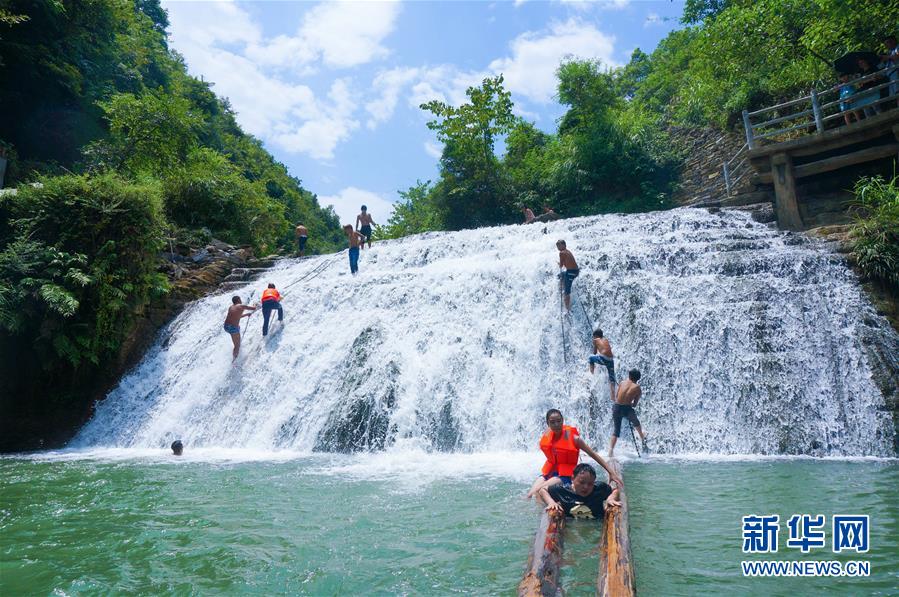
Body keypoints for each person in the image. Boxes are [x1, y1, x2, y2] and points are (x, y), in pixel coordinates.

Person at [526, 409, 622, 499]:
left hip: (565, 476)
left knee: (539, 491)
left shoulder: (575, 439)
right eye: (552, 422)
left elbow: (593, 454)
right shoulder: (548, 436)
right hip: (550, 472)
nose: (556, 424)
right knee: (530, 495)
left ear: (563, 421)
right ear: (548, 423)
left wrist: (611, 473)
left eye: (559, 421)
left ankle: (550, 508)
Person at [539, 463, 621, 520]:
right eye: (581, 483)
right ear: (572, 478)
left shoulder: (599, 488)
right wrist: (551, 502)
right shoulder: (563, 490)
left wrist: (611, 498)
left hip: (596, 522)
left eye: (590, 484)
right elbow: (543, 490)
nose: (586, 487)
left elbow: (615, 490)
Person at [609, 369, 648, 457]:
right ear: (638, 378)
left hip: (617, 407)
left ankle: (610, 451)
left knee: (616, 431)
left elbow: (617, 397)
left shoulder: (622, 383)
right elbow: (634, 404)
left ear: (629, 376)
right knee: (636, 422)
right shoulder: (637, 388)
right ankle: (642, 437)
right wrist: (629, 402)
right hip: (627, 409)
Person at [224, 295, 257, 361]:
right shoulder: (241, 306)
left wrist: (246, 314)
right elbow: (254, 308)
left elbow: (237, 316)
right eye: (240, 299)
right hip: (233, 328)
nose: (241, 300)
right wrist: (255, 304)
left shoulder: (231, 307)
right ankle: (234, 361)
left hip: (226, 326)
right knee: (237, 345)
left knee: (236, 343)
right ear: (238, 300)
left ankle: (235, 356)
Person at [588, 329, 616, 402]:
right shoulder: (605, 340)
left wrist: (595, 346)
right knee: (612, 379)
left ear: (595, 336)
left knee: (590, 358)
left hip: (604, 358)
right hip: (611, 359)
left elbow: (594, 353)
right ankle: (613, 396)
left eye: (593, 336)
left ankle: (591, 374)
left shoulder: (595, 340)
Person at [556, 240, 579, 312]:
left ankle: (567, 310)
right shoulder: (568, 251)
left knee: (567, 291)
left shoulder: (561, 253)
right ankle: (562, 288)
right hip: (575, 271)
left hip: (571, 272)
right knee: (560, 275)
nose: (558, 247)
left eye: (559, 245)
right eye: (557, 246)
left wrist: (558, 264)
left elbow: (561, 265)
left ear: (563, 245)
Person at [879, 35, 898, 108]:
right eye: (885, 44)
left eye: (887, 43)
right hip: (892, 77)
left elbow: (897, 57)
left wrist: (887, 57)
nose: (886, 45)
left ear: (893, 41)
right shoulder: (890, 52)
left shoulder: (897, 48)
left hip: (897, 74)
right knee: (897, 95)